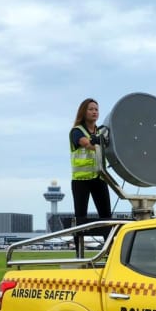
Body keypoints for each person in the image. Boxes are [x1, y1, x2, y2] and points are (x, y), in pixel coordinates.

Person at [69, 98, 112, 246]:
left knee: (107, 218)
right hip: (81, 181)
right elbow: (87, 144)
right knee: (80, 218)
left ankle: (109, 251)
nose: (95, 112)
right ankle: (79, 254)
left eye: (96, 109)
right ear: (83, 112)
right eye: (91, 109)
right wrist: (101, 142)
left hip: (99, 179)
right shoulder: (76, 131)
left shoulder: (101, 131)